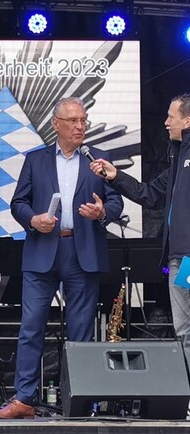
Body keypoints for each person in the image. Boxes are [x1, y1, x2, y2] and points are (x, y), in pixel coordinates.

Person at [0, 98, 123, 419]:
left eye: (84, 121)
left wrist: (102, 211)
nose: (80, 127)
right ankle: (24, 399)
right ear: (56, 124)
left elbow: (116, 201)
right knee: (31, 327)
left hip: (83, 251)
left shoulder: (98, 160)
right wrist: (33, 220)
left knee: (81, 333)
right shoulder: (36, 160)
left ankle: (80, 400)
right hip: (43, 250)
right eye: (73, 121)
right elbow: (18, 202)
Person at [90, 93, 190, 371]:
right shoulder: (177, 161)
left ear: (188, 120)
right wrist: (115, 176)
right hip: (180, 260)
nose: (166, 122)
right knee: (184, 331)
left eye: (172, 116)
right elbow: (149, 195)